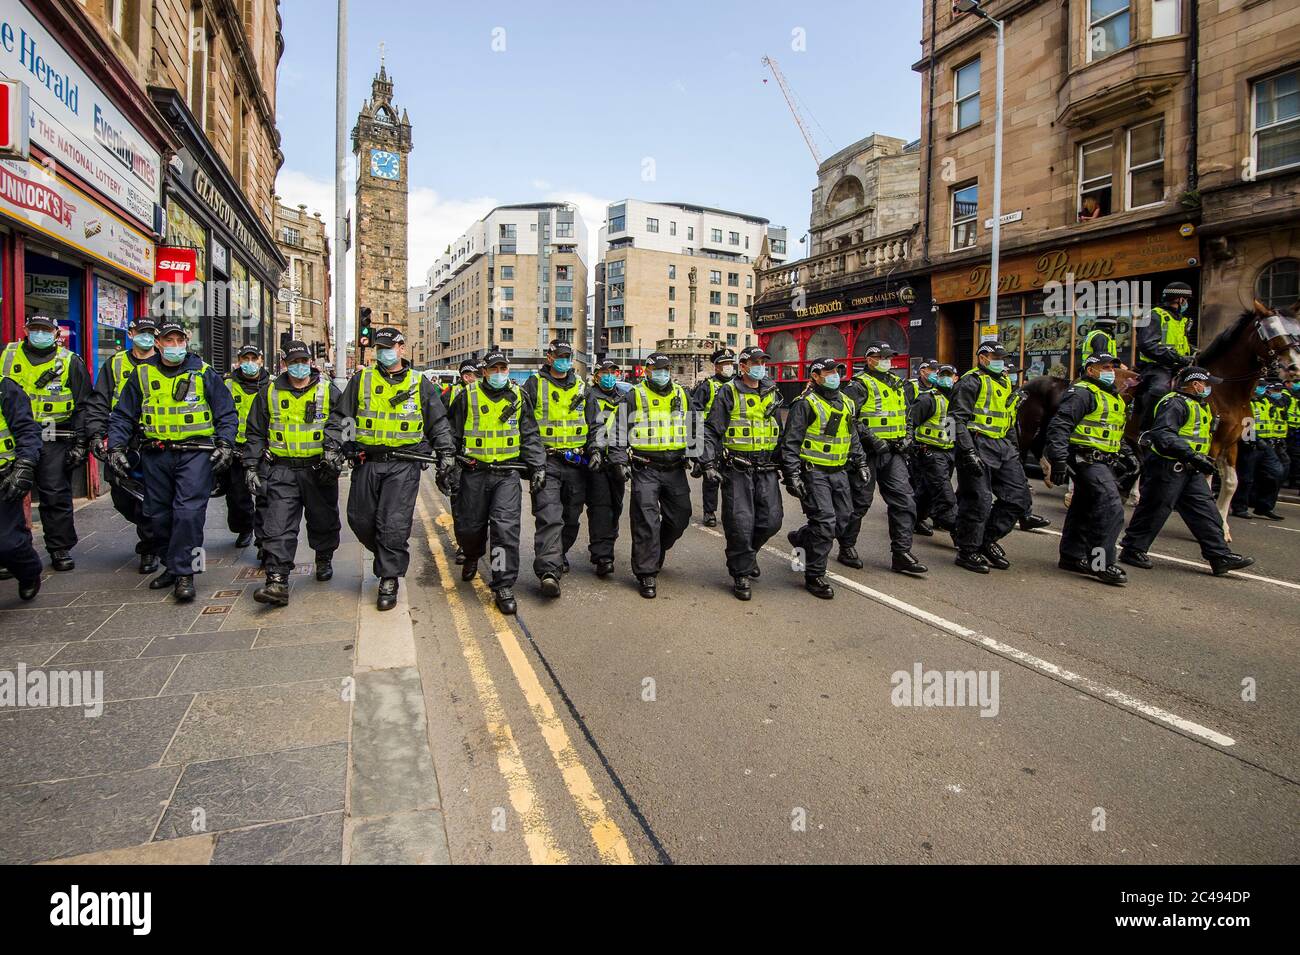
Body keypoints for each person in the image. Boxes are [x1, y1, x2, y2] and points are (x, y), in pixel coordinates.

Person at [106, 320, 238, 602]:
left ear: (186, 341)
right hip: (156, 454)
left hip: (195, 454)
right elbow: (123, 415)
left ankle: (186, 573)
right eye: (169, 340)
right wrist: (115, 446)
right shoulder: (142, 374)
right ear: (158, 343)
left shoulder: (203, 372)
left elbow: (226, 413)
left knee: (188, 514)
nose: (174, 345)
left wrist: (225, 444)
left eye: (179, 340)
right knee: (157, 514)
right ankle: (172, 564)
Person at [337, 326, 454, 610]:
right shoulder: (361, 379)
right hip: (368, 462)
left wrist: (446, 453)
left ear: (402, 348)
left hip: (404, 464)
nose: (384, 353)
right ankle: (387, 555)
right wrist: (339, 446)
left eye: (389, 347)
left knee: (393, 522)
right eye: (380, 348)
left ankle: (389, 576)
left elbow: (437, 422)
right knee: (360, 519)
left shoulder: (419, 383)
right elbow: (344, 418)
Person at [1120, 367, 1253, 576]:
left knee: (1206, 512)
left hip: (1191, 468)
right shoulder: (1174, 402)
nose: (1209, 388)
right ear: (1195, 384)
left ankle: (1219, 556)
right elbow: (1163, 435)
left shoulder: (1200, 405)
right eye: (1207, 384)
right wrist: (1193, 456)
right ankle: (1132, 549)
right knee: (1155, 509)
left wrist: (1199, 459)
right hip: (1169, 466)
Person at [241, 341, 345, 606]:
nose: (300, 367)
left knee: (323, 519)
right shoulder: (269, 392)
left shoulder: (327, 390)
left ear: (310, 362)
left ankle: (323, 556)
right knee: (278, 525)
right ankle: (277, 580)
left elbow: (345, 424)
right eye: (294, 362)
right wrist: (251, 465)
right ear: (284, 364)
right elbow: (255, 433)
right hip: (281, 469)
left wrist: (335, 452)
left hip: (318, 470)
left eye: (304, 361)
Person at [446, 349, 545, 615]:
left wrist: (538, 466)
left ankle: (503, 583)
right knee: (470, 527)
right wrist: (449, 466)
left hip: (507, 476)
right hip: (474, 474)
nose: (500, 373)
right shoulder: (467, 396)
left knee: (505, 532)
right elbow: (452, 435)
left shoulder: (518, 397)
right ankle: (471, 554)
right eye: (495, 369)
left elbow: (531, 435)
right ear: (485, 372)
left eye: (504, 369)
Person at [0, 314, 90, 571]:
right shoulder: (7, 354)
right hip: (12, 437)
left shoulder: (70, 361)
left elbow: (83, 404)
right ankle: (15, 551)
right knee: (9, 495)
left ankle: (59, 548)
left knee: (54, 493)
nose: (39, 333)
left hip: (53, 436)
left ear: (55, 333)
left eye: (45, 329)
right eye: (35, 329)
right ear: (25, 329)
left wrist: (80, 442)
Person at [605, 352, 693, 599]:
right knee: (646, 521)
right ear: (647, 370)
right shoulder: (634, 395)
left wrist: (702, 460)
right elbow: (618, 431)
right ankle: (646, 573)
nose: (663, 374)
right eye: (658, 369)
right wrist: (619, 461)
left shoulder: (682, 395)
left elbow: (694, 428)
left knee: (681, 517)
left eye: (667, 369)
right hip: (645, 467)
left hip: (675, 468)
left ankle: (657, 549)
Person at [781, 356, 868, 599]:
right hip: (814, 472)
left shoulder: (848, 403)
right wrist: (792, 475)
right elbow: (791, 443)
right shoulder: (805, 404)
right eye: (827, 372)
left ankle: (800, 539)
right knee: (825, 522)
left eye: (836, 371)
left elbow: (852, 437)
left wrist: (860, 461)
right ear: (815, 376)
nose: (834, 376)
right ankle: (814, 574)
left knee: (843, 520)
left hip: (839, 471)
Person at [701, 345, 784, 600]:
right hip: (737, 467)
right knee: (740, 523)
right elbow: (711, 430)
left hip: (766, 467)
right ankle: (741, 573)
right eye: (756, 362)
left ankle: (749, 555)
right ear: (744, 365)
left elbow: (778, 431)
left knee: (772, 520)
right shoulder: (729, 391)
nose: (761, 366)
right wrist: (707, 463)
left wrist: (790, 469)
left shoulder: (771, 391)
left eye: (764, 362)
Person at [840, 342, 927, 575]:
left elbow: (907, 415)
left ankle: (901, 553)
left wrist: (908, 436)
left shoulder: (899, 384)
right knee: (859, 502)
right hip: (868, 453)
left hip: (895, 452)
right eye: (881, 356)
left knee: (904, 501)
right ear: (869, 359)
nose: (887, 360)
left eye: (889, 357)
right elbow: (848, 419)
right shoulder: (858, 386)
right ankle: (846, 546)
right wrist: (872, 441)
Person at [83, 316, 161, 573]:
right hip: (122, 440)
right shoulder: (115, 364)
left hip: (153, 440)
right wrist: (96, 434)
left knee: (151, 497)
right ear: (131, 333)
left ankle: (149, 546)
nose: (146, 337)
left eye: (151, 333)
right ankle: (153, 534)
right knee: (123, 496)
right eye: (142, 332)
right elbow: (99, 401)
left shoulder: (164, 363)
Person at [1045, 353, 1129, 586]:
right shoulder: (1082, 392)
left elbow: (1113, 430)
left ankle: (1072, 556)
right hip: (1085, 459)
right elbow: (1060, 426)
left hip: (1103, 460)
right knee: (1111, 507)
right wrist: (1059, 460)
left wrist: (1128, 456)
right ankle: (1100, 563)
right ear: (1090, 370)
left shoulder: (1111, 396)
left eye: (1112, 366)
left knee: (1084, 505)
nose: (1110, 371)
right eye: (1104, 367)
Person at [950, 342, 1033, 574]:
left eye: (1002, 357)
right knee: (979, 500)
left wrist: (1015, 451)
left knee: (1019, 497)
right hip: (977, 443)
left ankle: (986, 540)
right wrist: (966, 452)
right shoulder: (970, 381)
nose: (1000, 361)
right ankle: (967, 550)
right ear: (983, 357)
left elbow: (1007, 421)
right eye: (995, 356)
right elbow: (955, 420)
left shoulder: (1005, 381)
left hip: (1002, 445)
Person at [521, 340, 588, 597]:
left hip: (576, 464)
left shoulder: (582, 386)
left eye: (567, 356)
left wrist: (595, 451)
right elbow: (526, 427)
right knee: (550, 516)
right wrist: (535, 462)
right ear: (549, 358)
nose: (563, 360)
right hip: (546, 461)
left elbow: (594, 423)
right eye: (559, 355)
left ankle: (559, 554)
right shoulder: (534, 385)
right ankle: (549, 571)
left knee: (571, 518)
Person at [0, 375, 45, 600]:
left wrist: (24, 466)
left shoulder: (5, 388)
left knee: (8, 544)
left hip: (3, 480)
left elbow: (27, 431)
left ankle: (29, 572)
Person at [222, 344, 271, 551]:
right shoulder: (227, 385)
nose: (250, 363)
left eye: (254, 358)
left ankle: (263, 542)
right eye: (245, 358)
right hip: (236, 449)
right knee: (237, 496)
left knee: (265, 496)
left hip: (262, 449)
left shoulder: (271, 385)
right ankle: (244, 528)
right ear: (239, 361)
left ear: (261, 360)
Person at [583, 359, 626, 577]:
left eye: (613, 371)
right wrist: (593, 451)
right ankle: (603, 556)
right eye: (604, 372)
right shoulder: (588, 396)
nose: (609, 375)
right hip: (596, 461)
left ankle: (607, 542)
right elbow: (589, 426)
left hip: (618, 460)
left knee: (616, 507)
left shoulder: (624, 397)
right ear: (596, 375)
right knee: (600, 507)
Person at [1135, 281, 1195, 428]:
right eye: (1185, 300)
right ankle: (1146, 429)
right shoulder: (1154, 315)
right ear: (1180, 300)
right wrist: (1177, 358)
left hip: (1180, 366)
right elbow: (1147, 344)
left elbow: (1180, 344)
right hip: (1157, 367)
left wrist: (1192, 352)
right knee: (1159, 389)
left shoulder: (1182, 320)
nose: (1186, 303)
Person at [909, 362, 958, 535]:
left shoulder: (954, 401)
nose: (945, 379)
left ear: (955, 378)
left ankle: (913, 519)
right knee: (945, 494)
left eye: (949, 375)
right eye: (942, 375)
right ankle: (963, 537)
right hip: (928, 452)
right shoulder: (927, 398)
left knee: (926, 491)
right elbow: (910, 423)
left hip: (947, 453)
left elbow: (950, 428)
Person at [1232, 378, 1289, 520]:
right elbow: (1245, 423)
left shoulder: (1268, 401)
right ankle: (1240, 507)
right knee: (1246, 478)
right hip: (1251, 444)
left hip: (1268, 444)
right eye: (1258, 387)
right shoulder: (1246, 402)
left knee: (1276, 473)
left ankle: (1264, 506)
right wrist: (1254, 440)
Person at [1005, 357, 1052, 532]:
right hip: (990, 448)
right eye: (1009, 374)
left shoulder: (1018, 397)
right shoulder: (992, 393)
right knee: (976, 491)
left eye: (1015, 375)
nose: (1013, 378)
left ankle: (1025, 516)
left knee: (1019, 482)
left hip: (1010, 449)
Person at [691, 348, 736, 527]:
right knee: (711, 478)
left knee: (732, 479)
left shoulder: (739, 385)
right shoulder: (707, 386)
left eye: (730, 364)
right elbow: (695, 416)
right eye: (725, 364)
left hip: (733, 438)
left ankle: (732, 512)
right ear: (716, 367)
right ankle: (709, 512)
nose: (728, 367)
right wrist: (695, 450)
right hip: (712, 438)